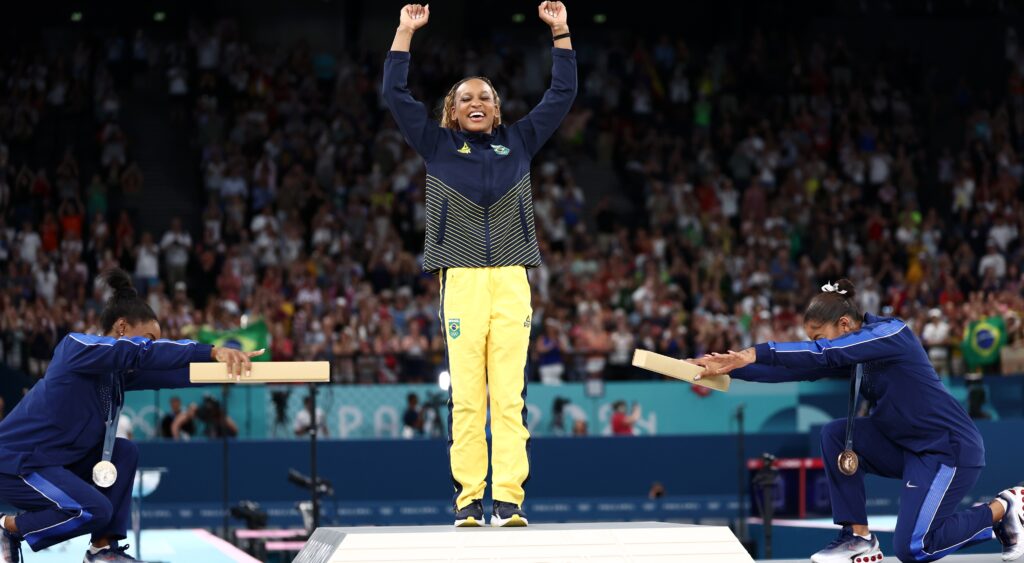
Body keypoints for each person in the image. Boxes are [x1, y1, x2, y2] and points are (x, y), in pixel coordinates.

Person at [382, 2, 576, 528]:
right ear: (452, 110)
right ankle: (469, 500)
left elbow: (561, 95)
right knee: (468, 397)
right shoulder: (436, 146)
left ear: (496, 109)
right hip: (462, 281)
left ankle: (509, 499)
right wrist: (404, 32)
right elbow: (395, 97)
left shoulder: (520, 142)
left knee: (508, 396)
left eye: (485, 97)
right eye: (465, 97)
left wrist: (560, 32)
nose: (476, 102)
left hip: (512, 280)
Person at [692, 279, 1023, 563]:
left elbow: (823, 353)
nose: (816, 344)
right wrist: (729, 368)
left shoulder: (892, 332)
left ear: (846, 325)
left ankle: (1003, 508)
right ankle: (858, 538)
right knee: (835, 434)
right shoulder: (847, 353)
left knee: (914, 547)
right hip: (905, 447)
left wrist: (755, 351)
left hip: (948, 450)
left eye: (820, 336)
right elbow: (796, 367)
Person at [0, 268, 260, 563]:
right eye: (148, 337)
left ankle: (102, 549)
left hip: (54, 463)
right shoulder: (76, 348)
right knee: (93, 509)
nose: (150, 346)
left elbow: (174, 373)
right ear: (122, 327)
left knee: (125, 451)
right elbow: (143, 354)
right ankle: (8, 528)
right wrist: (210, 350)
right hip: (15, 462)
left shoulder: (119, 375)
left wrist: (228, 369)